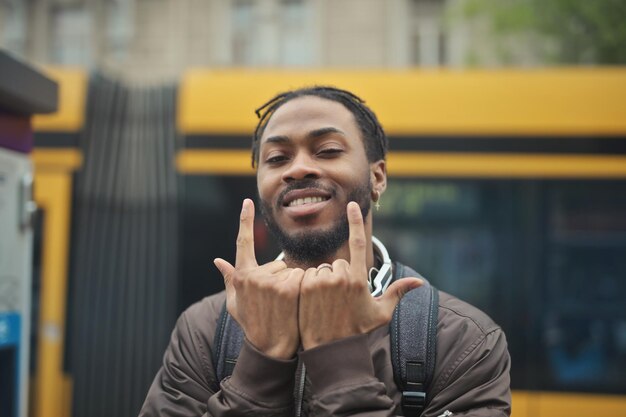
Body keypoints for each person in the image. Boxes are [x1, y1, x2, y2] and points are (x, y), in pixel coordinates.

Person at [139, 86, 511, 417]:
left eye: (328, 150)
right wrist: (260, 362)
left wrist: (339, 360)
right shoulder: (203, 329)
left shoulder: (463, 340)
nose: (298, 168)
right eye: (277, 158)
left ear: (377, 176)